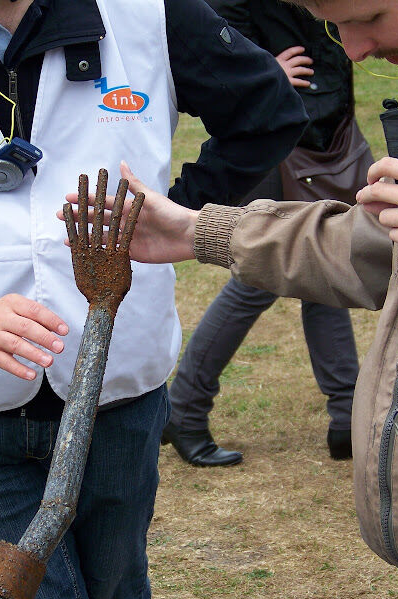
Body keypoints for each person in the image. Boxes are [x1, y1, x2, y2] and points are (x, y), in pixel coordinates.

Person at [0, 0, 308, 596]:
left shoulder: (146, 11)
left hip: (119, 387)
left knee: (117, 585)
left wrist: (181, 216)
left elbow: (267, 111)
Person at [62, 0, 398, 595]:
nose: (353, 50)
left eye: (369, 17)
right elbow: (383, 251)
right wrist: (198, 231)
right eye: (332, 26)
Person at [163, 0, 372, 466]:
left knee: (327, 263)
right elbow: (213, 41)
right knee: (255, 279)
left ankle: (347, 417)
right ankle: (185, 410)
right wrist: (262, 74)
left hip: (328, 130)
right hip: (278, 140)